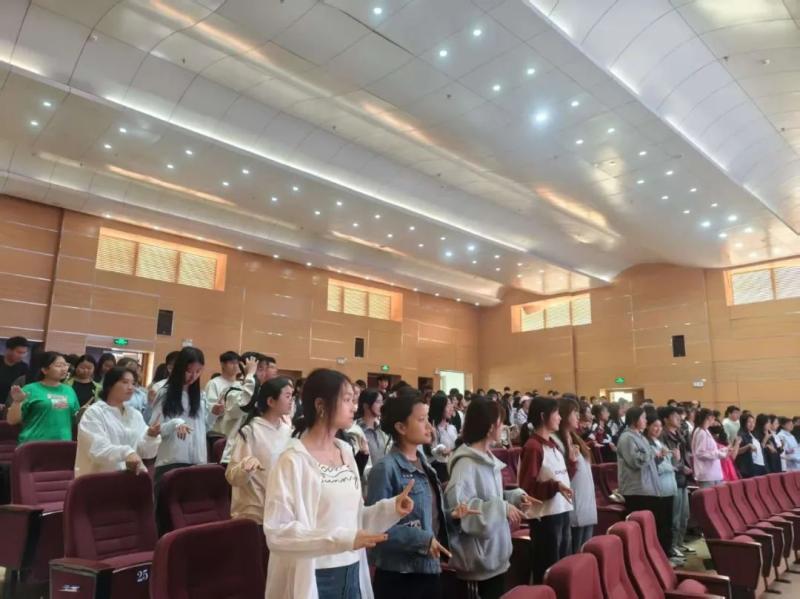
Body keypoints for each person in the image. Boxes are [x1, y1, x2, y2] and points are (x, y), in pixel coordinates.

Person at [263, 368, 414, 599]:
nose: (354, 407)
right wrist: (342, 539)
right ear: (320, 405)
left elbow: (355, 519)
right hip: (315, 575)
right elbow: (278, 533)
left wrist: (390, 509)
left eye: (354, 400)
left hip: (351, 570)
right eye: (347, 400)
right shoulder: (292, 459)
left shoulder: (345, 450)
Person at [366, 386, 476, 599]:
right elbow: (376, 528)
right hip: (400, 576)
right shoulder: (386, 469)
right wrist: (421, 540)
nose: (429, 427)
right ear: (401, 427)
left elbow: (428, 518)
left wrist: (450, 517)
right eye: (421, 420)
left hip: (429, 568)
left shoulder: (426, 465)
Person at [445, 397, 539, 599]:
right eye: (500, 422)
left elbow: (491, 497)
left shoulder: (486, 458)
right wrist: (502, 507)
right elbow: (462, 511)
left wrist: (513, 498)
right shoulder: (465, 466)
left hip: (494, 556)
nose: (503, 427)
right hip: (478, 561)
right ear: (490, 428)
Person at [518, 396, 574, 584]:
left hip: (561, 511)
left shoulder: (552, 444)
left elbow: (562, 477)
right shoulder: (533, 447)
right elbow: (527, 488)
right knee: (548, 571)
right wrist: (554, 486)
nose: (560, 417)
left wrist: (572, 463)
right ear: (543, 416)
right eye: (556, 413)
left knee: (563, 570)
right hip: (546, 517)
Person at [225, 376, 293, 523]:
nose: (291, 401)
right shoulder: (250, 431)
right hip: (254, 513)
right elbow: (231, 476)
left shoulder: (288, 431)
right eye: (287, 396)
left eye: (292, 396)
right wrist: (245, 467)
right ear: (271, 401)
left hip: (281, 511)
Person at [149, 347, 221, 485]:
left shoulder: (200, 395)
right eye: (189, 371)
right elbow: (155, 428)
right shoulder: (165, 393)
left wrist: (214, 414)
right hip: (171, 461)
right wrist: (176, 424)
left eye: (198, 371)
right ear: (179, 369)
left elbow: (204, 428)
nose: (193, 376)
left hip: (197, 462)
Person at [74, 366, 161, 477]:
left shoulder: (134, 414)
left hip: (129, 477)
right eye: (125, 382)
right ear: (110, 385)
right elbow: (97, 450)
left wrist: (150, 436)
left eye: (133, 383)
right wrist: (126, 453)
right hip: (98, 478)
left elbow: (146, 452)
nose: (131, 387)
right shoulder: (94, 412)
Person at [554, 397, 597, 554]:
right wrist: (571, 460)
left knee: (585, 552)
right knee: (575, 553)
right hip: (573, 503)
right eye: (574, 413)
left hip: (586, 501)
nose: (578, 417)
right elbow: (561, 476)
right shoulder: (557, 442)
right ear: (564, 415)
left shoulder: (575, 438)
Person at [617, 407, 664, 548]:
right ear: (634, 419)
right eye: (643, 417)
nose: (645, 420)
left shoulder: (641, 437)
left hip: (649, 488)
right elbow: (635, 461)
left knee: (649, 527)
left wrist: (659, 456)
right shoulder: (627, 438)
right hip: (637, 489)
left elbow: (649, 461)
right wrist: (653, 453)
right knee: (638, 529)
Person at [7, 352, 79, 443]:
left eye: (65, 365)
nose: (64, 369)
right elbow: (12, 421)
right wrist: (17, 402)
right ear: (45, 370)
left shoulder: (69, 390)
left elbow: (75, 417)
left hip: (62, 443)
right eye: (59, 365)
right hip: (34, 444)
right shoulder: (30, 389)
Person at [659, 406, 693, 559]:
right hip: (672, 479)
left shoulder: (680, 434)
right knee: (675, 516)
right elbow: (667, 460)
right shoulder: (663, 436)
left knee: (685, 515)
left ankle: (679, 543)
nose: (679, 418)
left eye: (679, 416)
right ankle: (672, 546)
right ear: (666, 419)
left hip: (683, 478)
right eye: (674, 416)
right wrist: (680, 466)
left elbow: (685, 454)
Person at [646, 413, 678, 562]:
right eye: (655, 426)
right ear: (648, 426)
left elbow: (669, 462)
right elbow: (654, 467)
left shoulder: (659, 442)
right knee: (662, 524)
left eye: (659, 426)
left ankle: (668, 552)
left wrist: (675, 458)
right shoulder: (647, 444)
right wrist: (667, 463)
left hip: (669, 485)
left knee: (669, 523)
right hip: (659, 489)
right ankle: (662, 556)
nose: (658, 429)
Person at [691, 408, 734, 488]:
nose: (714, 419)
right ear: (708, 418)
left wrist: (725, 450)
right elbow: (700, 453)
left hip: (712, 473)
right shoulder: (701, 432)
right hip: (707, 475)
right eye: (713, 417)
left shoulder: (705, 431)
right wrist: (721, 454)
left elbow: (711, 450)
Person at [204, 350, 240, 433]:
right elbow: (209, 408)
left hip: (234, 431)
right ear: (223, 364)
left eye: (237, 363)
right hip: (218, 430)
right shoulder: (214, 383)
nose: (235, 366)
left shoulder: (240, 385)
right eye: (232, 363)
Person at [428, 392, 457, 483]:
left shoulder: (452, 428)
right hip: (440, 470)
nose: (451, 408)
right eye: (448, 405)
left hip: (453, 466)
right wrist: (441, 450)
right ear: (439, 407)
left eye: (451, 405)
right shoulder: (432, 429)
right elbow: (432, 452)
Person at [356, 389, 390, 465]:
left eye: (382, 402)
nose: (382, 405)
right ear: (366, 405)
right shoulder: (356, 430)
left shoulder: (381, 429)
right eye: (378, 402)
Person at [0, 336, 29, 408]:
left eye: (24, 353)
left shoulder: (24, 368)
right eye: (19, 352)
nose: (22, 356)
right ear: (8, 350)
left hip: (10, 406)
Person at [735, 413, 765, 478]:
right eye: (749, 422)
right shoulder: (741, 435)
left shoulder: (753, 434)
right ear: (743, 423)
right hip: (751, 466)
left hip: (760, 464)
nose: (752, 424)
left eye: (753, 422)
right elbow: (736, 451)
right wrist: (748, 446)